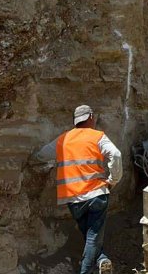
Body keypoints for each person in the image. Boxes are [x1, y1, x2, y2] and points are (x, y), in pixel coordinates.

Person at [34, 105, 121, 274]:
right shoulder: (97, 136)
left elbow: (42, 154)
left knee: (89, 235)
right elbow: (116, 155)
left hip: (72, 199)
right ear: (91, 117)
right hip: (96, 194)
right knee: (92, 236)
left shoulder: (63, 139)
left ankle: (102, 258)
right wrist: (113, 180)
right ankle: (87, 270)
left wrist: (31, 160)